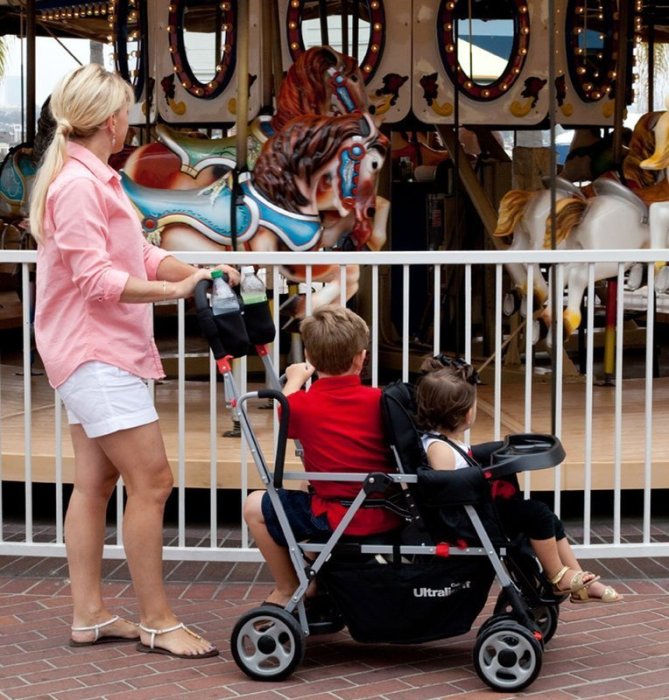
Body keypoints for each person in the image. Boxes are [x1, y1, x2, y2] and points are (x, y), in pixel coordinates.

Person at [29, 63, 240, 657]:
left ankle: (90, 614)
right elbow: (97, 280)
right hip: (95, 353)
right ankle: (156, 619)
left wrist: (194, 272)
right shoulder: (77, 186)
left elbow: (139, 254)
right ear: (111, 121)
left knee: (95, 483)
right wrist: (179, 293)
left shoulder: (96, 180)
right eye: (125, 111)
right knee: (153, 481)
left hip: (100, 350)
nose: (129, 121)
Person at [415, 356, 623, 605]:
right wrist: (482, 476)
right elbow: (445, 490)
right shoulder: (439, 448)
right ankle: (557, 576)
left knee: (550, 520)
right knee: (537, 515)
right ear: (464, 413)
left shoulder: (448, 442)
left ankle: (579, 582)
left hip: (480, 511)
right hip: (470, 520)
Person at [243, 306, 402, 607]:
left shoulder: (302, 405)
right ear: (361, 358)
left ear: (312, 359)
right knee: (308, 489)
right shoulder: (379, 400)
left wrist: (294, 377)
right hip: (385, 510)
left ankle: (289, 586)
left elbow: (283, 409)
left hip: (339, 515)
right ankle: (318, 574)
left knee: (254, 506)